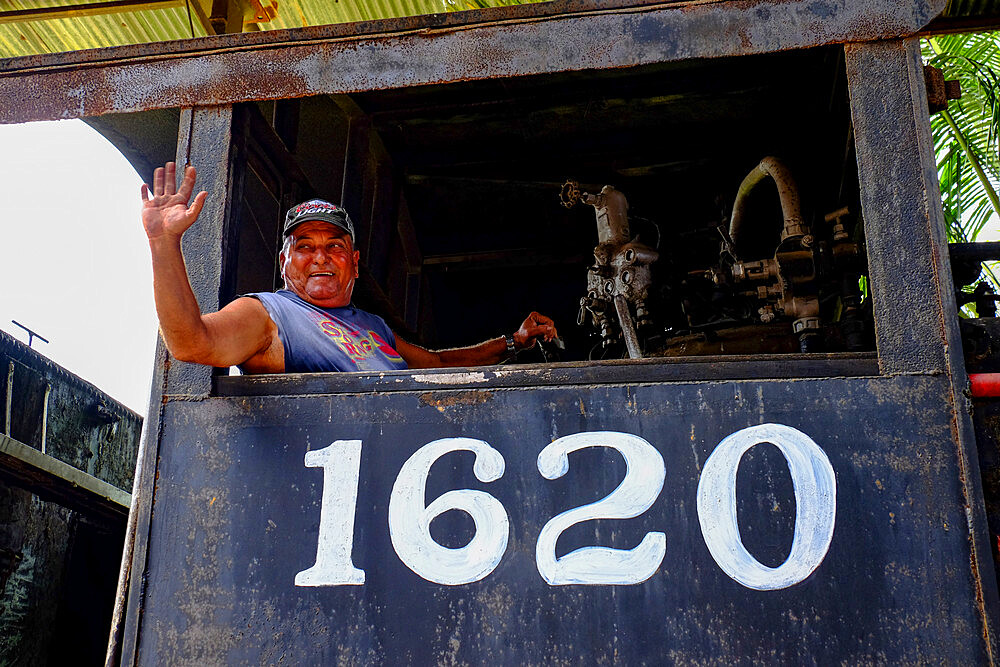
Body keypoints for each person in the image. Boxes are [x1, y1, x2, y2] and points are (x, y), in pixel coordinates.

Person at [141, 162, 558, 372]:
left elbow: (438, 366)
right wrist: (163, 243)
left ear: (354, 263)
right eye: (304, 246)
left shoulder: (372, 326)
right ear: (283, 261)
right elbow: (192, 344)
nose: (320, 256)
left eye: (334, 245)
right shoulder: (267, 314)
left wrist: (513, 342)